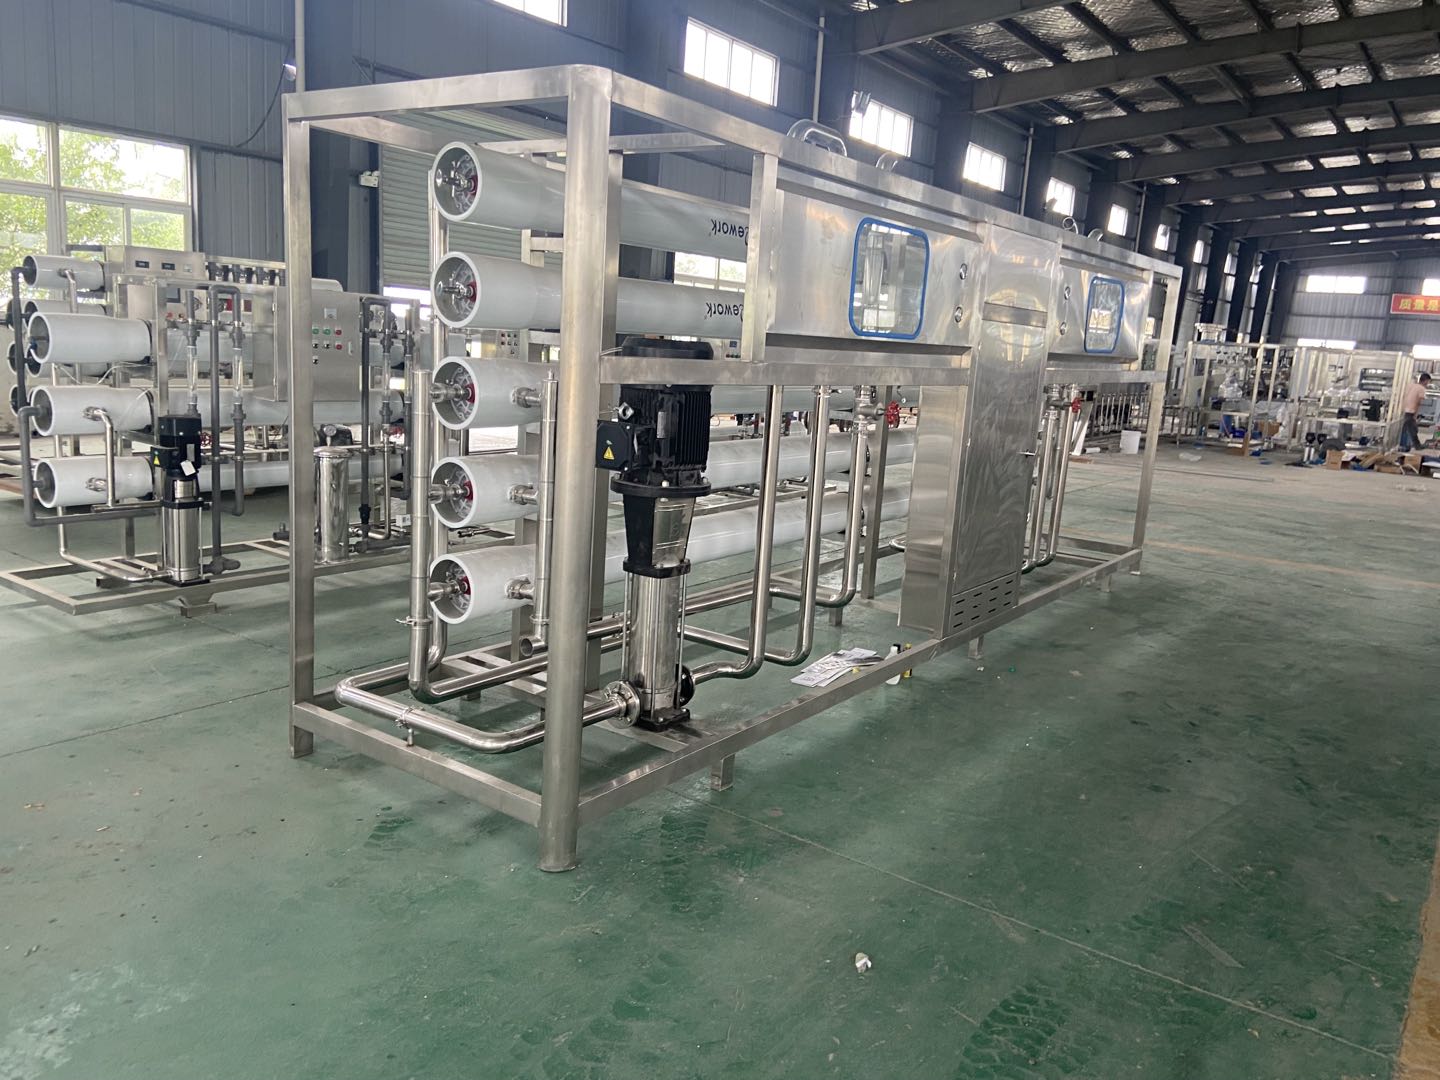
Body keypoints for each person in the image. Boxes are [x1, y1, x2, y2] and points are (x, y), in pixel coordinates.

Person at [1399, 371, 1431, 452]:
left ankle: (1410, 445)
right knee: (1412, 429)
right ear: (1426, 381)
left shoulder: (1411, 385)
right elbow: (1418, 402)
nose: (1428, 384)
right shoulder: (1421, 388)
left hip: (1403, 409)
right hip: (1411, 411)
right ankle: (1411, 446)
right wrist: (1415, 414)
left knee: (1407, 429)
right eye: (1428, 382)